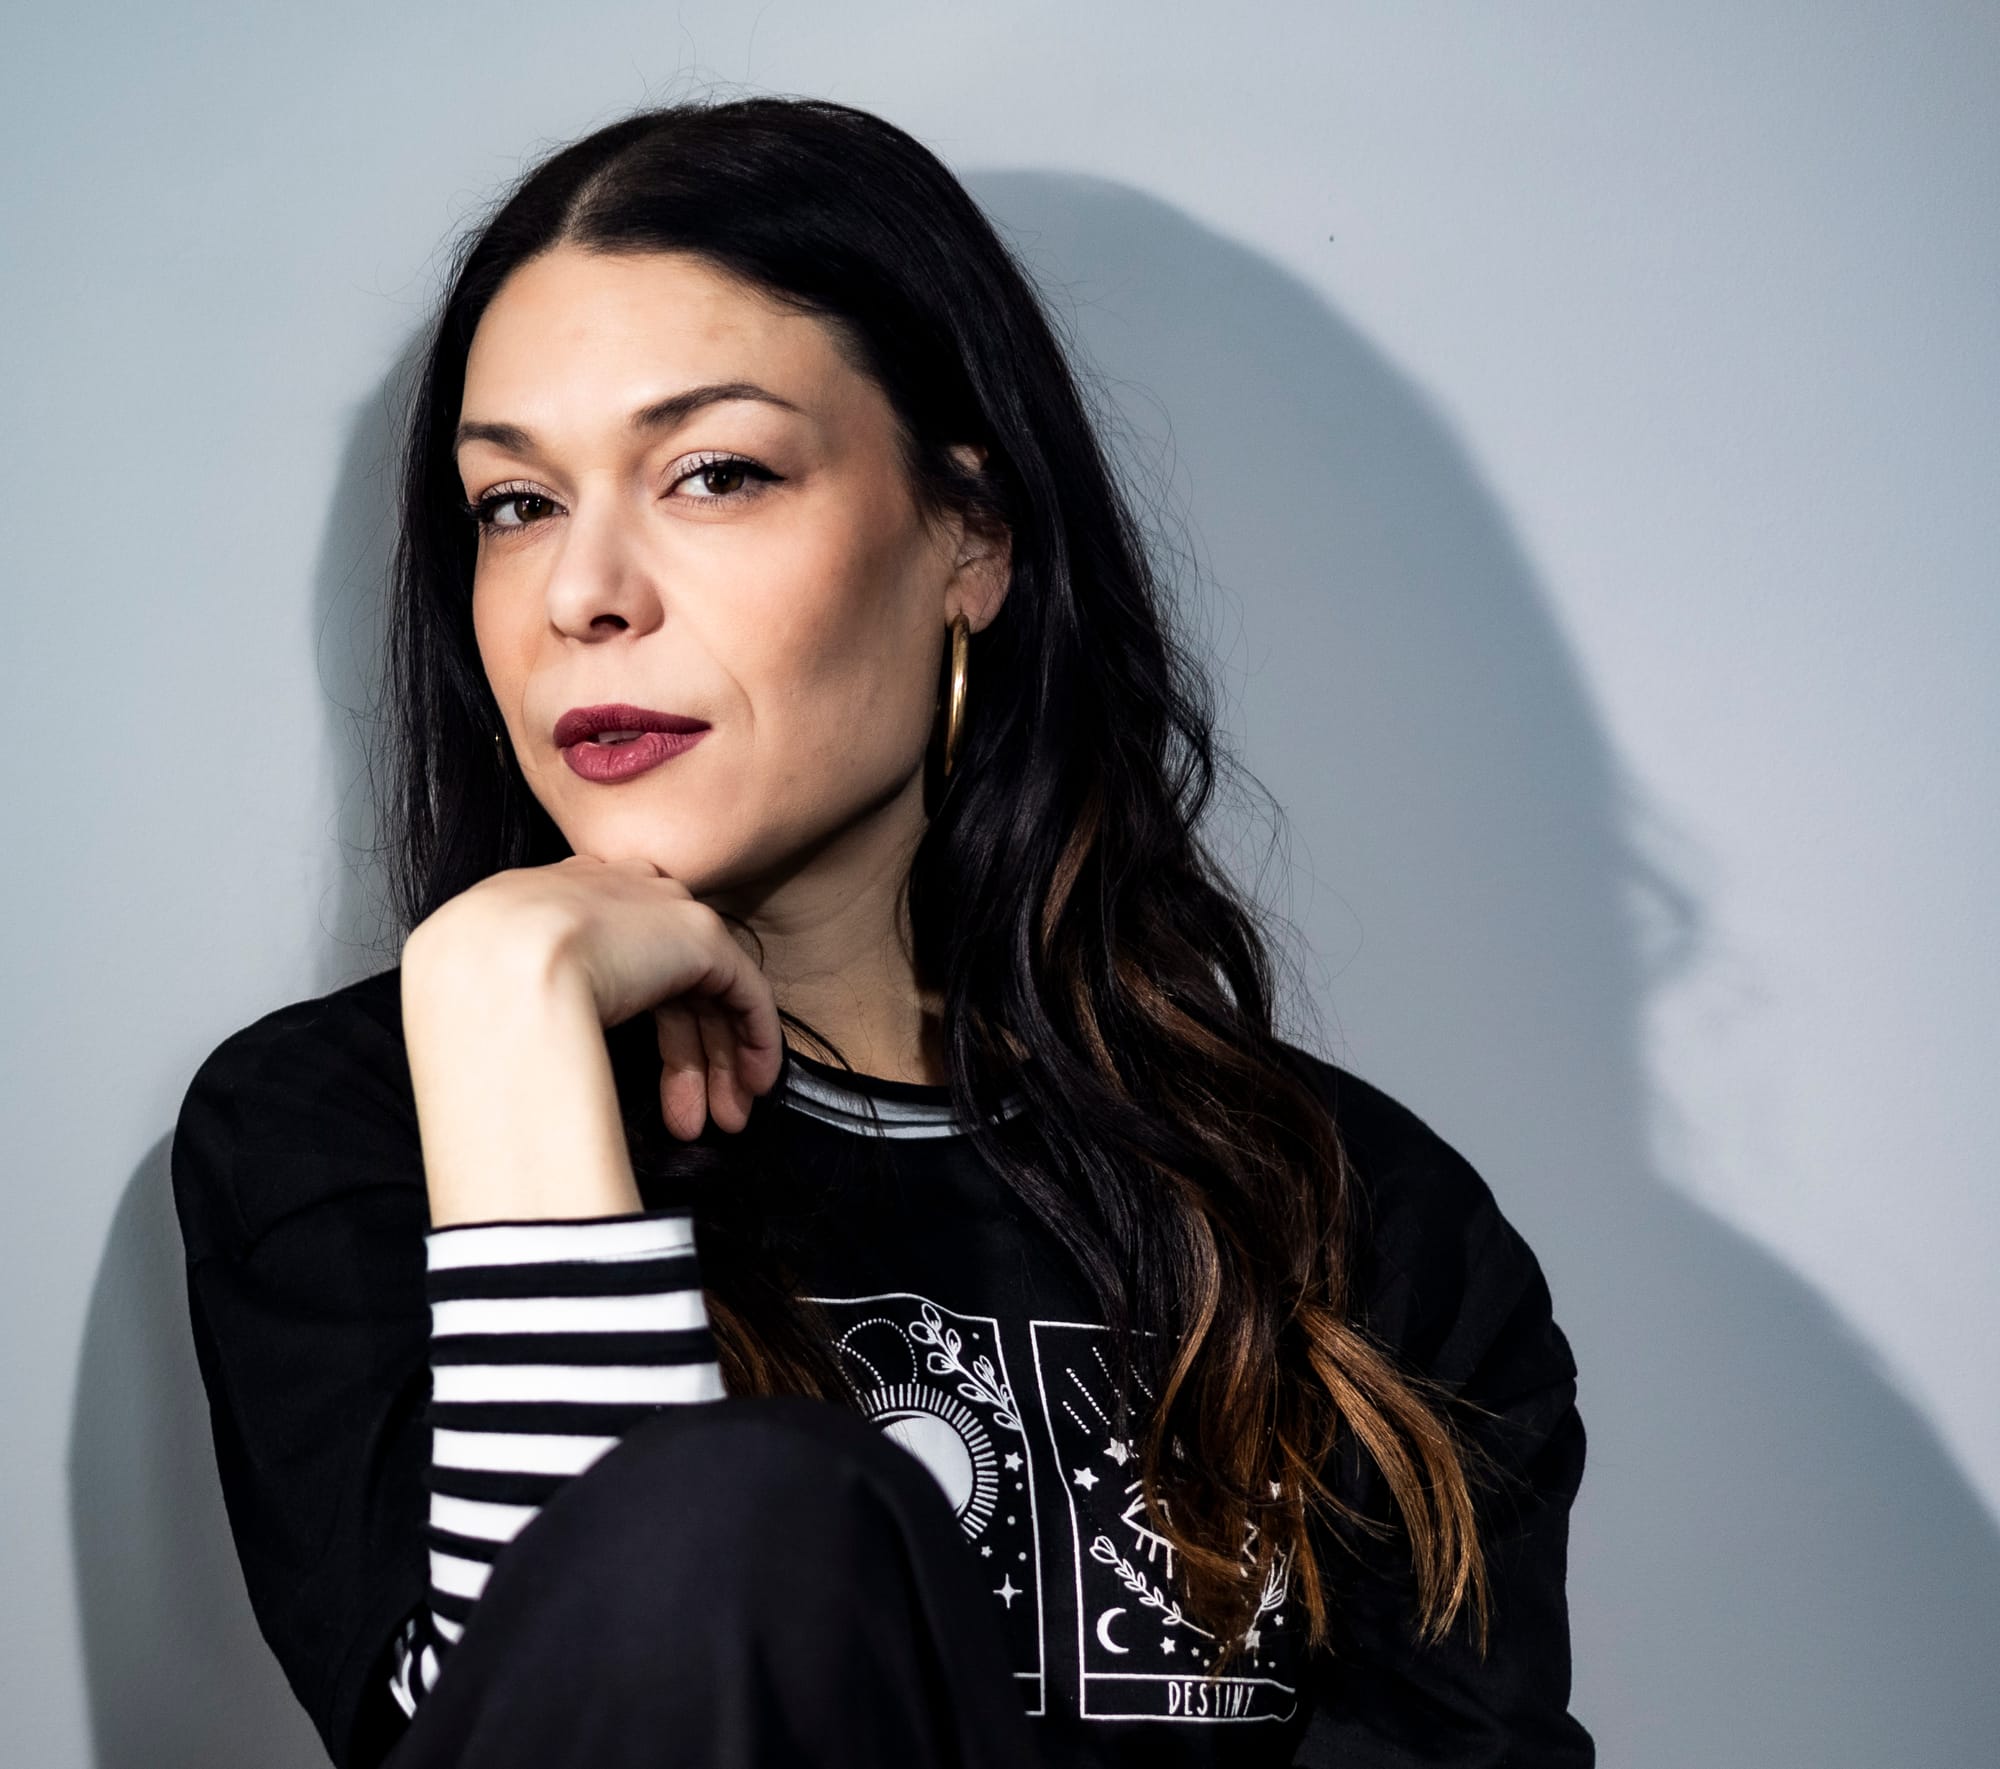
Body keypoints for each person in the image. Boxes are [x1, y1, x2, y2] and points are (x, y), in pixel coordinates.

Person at [169, 94, 1596, 1769]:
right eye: (515, 503)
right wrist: (502, 1017)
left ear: (969, 538)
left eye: (713, 473)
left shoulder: (1358, 1226)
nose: (581, 592)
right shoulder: (342, 1134)